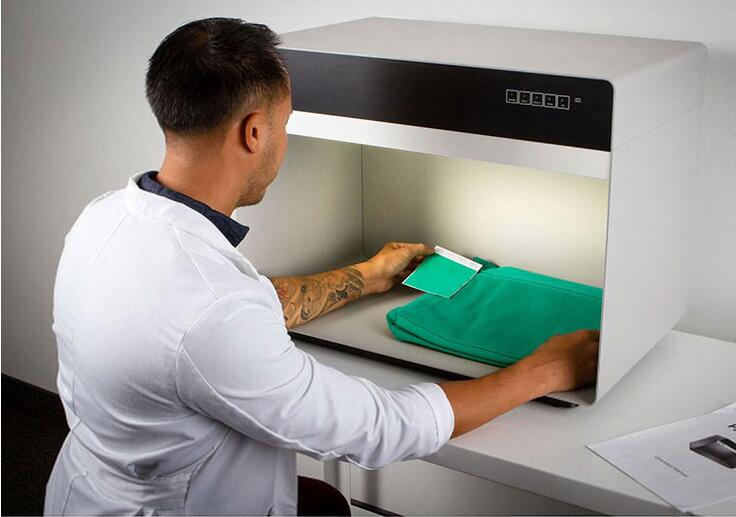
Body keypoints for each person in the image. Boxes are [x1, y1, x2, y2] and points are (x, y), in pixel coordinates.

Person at [44, 17, 600, 516]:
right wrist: (542, 372)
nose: (284, 141)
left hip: (89, 488)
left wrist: (369, 276)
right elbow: (377, 428)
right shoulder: (213, 309)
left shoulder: (105, 217)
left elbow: (207, 317)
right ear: (254, 132)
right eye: (285, 124)